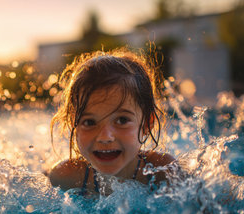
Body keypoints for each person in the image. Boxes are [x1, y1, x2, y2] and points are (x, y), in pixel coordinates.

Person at [48, 48, 175, 195]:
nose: (105, 137)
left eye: (122, 120)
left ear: (146, 124)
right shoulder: (66, 178)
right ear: (73, 125)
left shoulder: (163, 172)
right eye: (89, 122)